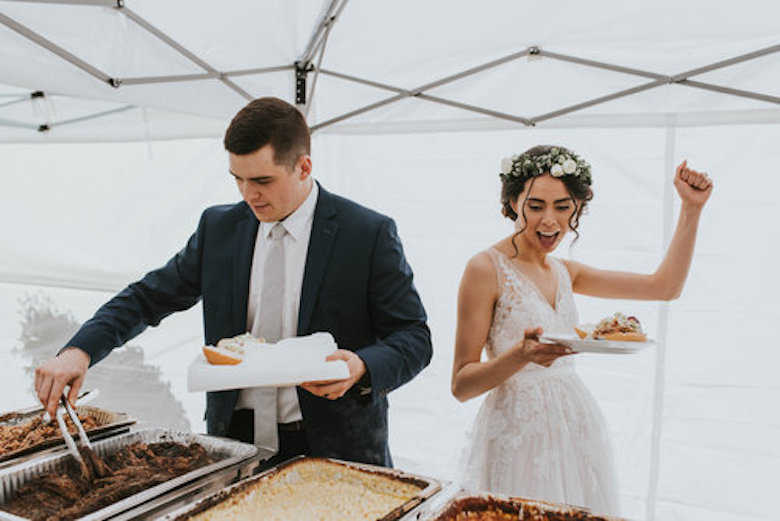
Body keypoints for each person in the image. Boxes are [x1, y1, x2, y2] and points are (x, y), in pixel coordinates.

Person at [34, 96, 432, 469]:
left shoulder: (367, 233)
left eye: (261, 180)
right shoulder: (218, 227)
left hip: (336, 449)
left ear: (303, 167)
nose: (248, 194)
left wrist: (362, 366)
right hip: (234, 449)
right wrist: (79, 350)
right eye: (237, 179)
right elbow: (146, 299)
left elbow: (413, 337)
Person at [450, 145, 712, 514]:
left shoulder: (565, 272)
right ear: (511, 203)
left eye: (563, 206)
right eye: (536, 205)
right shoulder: (484, 268)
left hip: (576, 427)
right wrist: (520, 355)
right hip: (516, 435)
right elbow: (462, 384)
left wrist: (691, 209)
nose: (550, 221)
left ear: (578, 207)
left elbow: (664, 287)